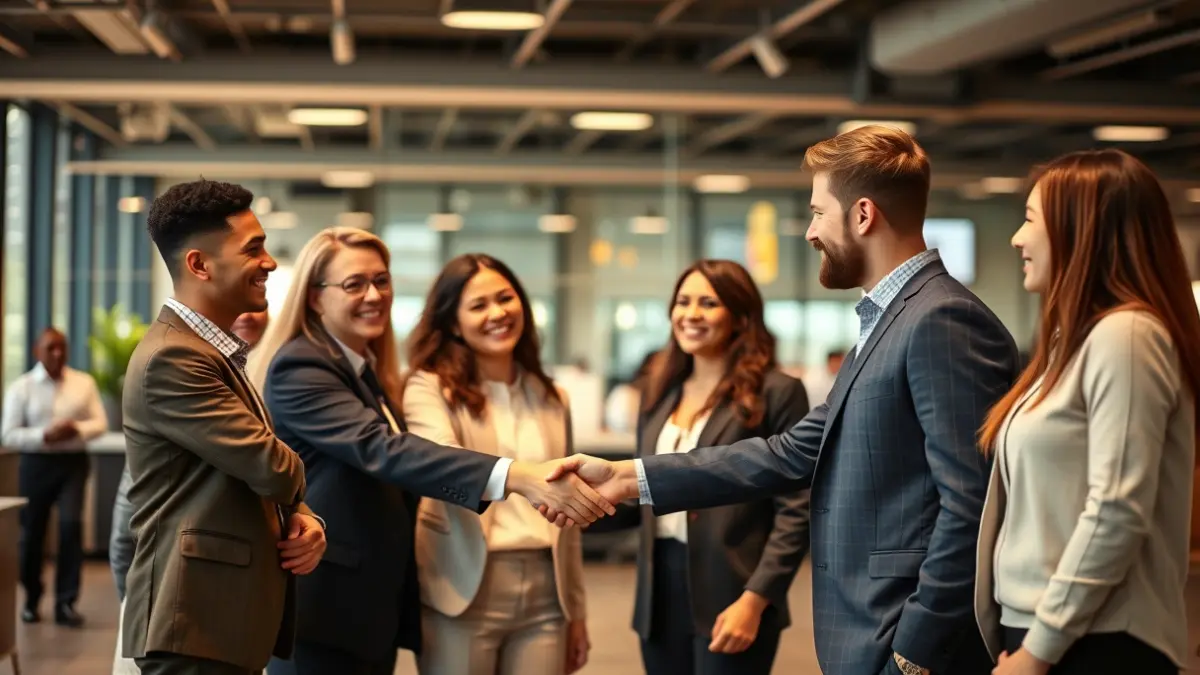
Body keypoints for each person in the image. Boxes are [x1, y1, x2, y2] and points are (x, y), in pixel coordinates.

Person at [543, 125, 1020, 675]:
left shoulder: (941, 319)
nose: (811, 231)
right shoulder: (892, 319)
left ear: (863, 215)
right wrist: (628, 477)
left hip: (901, 638)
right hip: (868, 628)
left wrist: (915, 652)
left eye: (818, 213)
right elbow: (791, 452)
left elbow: (971, 504)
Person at [251, 231, 612, 675]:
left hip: (369, 606)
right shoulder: (303, 365)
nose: (374, 295)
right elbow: (386, 450)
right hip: (332, 606)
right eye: (354, 284)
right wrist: (518, 475)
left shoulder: (365, 371)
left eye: (381, 281)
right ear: (314, 297)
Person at [975, 150, 1198, 675]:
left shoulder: (1128, 337)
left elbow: (1118, 509)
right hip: (1054, 629)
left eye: (1030, 220)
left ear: (1082, 231)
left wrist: (1039, 651)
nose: (1017, 238)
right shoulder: (1071, 343)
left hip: (1097, 638)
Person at [121, 179, 327, 675]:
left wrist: (303, 515)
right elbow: (272, 466)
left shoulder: (209, 352)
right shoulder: (174, 357)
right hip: (193, 623)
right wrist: (291, 480)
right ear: (199, 264)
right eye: (253, 249)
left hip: (218, 622)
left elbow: (249, 473)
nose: (270, 262)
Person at [588, 260, 811, 675]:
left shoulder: (777, 392)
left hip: (734, 585)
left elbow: (796, 510)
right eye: (683, 302)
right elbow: (644, 493)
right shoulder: (659, 391)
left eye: (708, 303)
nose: (690, 314)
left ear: (741, 316)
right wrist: (576, 506)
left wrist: (756, 599)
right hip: (659, 590)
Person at [401, 254, 591, 675]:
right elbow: (440, 463)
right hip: (461, 584)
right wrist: (521, 477)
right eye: (478, 305)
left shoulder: (551, 396)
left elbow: (570, 510)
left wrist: (576, 611)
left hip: (547, 590)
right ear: (454, 324)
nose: (498, 313)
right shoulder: (428, 387)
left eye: (505, 298)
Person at [110, 310, 272, 675]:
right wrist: (139, 608)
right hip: (180, 619)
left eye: (259, 302)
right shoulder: (181, 368)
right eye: (237, 304)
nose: (248, 315)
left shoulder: (253, 373)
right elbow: (126, 525)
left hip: (243, 616)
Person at [1, 327, 107, 628]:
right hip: (36, 463)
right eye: (51, 348)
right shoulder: (21, 387)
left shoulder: (84, 383)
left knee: (70, 528)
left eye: (62, 347)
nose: (57, 353)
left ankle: (66, 603)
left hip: (73, 464)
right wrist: (44, 436)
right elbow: (8, 434)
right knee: (32, 533)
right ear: (37, 351)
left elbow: (100, 423)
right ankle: (31, 599)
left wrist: (77, 429)